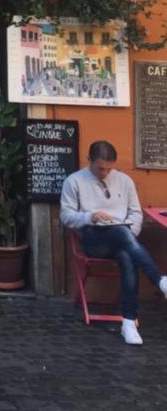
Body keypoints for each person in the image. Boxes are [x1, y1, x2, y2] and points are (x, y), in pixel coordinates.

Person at [60, 139, 167, 345]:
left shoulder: (125, 181)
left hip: (123, 239)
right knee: (122, 236)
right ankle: (159, 280)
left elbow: (136, 214)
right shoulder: (74, 181)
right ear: (89, 160)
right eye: (100, 168)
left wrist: (129, 237)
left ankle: (128, 323)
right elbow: (66, 216)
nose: (105, 173)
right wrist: (90, 216)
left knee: (127, 254)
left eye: (109, 169)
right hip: (93, 239)